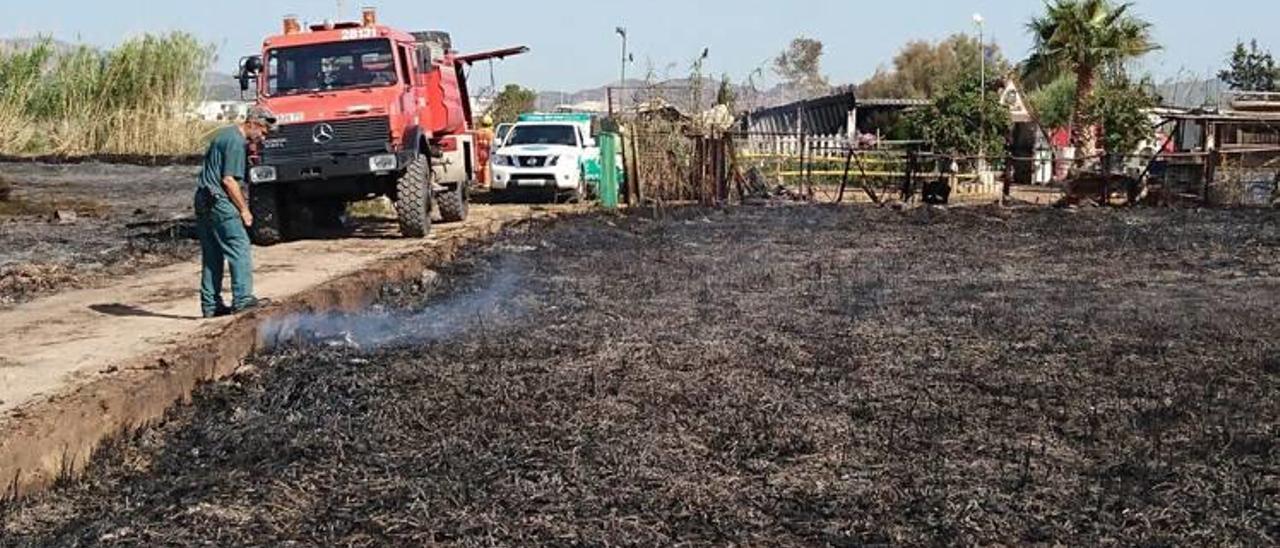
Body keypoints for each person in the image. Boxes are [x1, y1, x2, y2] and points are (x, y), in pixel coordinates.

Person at [194, 106, 276, 318]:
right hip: (219, 201)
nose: (263, 138)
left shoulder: (224, 136)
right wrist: (244, 210)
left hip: (203, 199)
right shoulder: (236, 143)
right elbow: (229, 180)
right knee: (239, 247)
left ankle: (211, 305)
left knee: (212, 255)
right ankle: (242, 299)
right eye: (263, 132)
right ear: (253, 124)